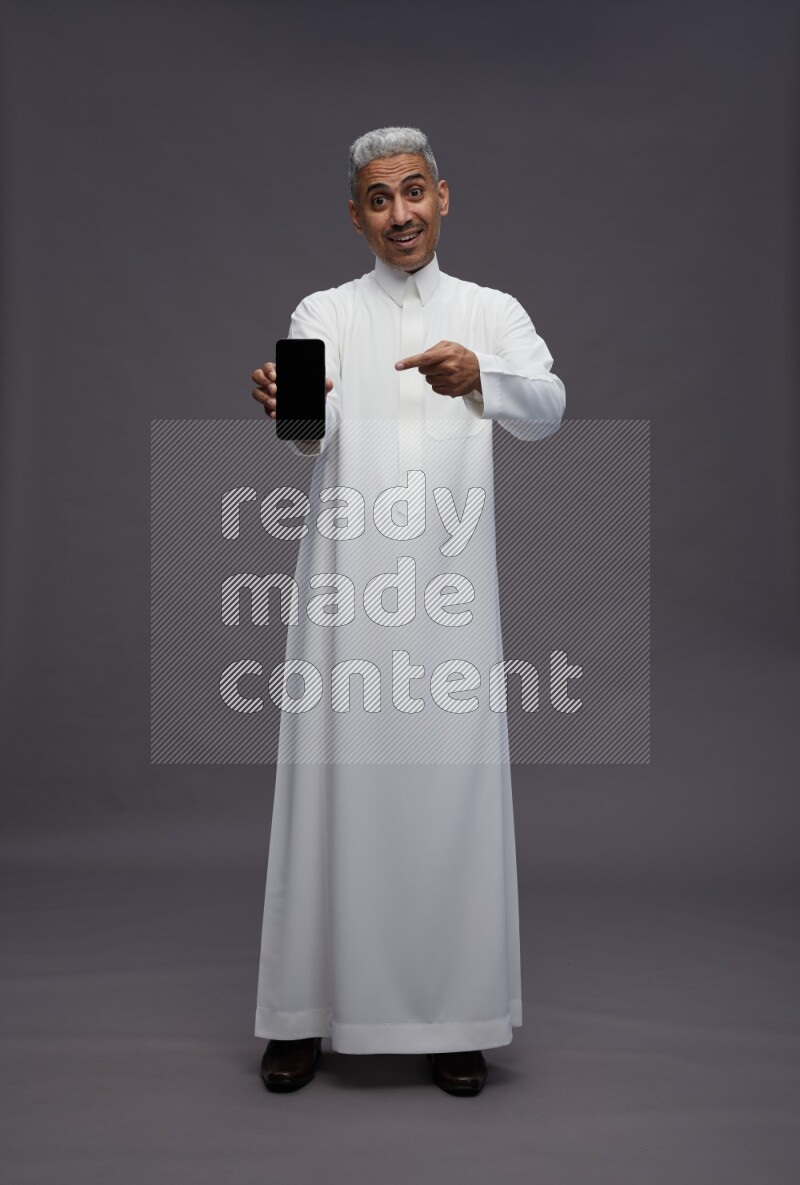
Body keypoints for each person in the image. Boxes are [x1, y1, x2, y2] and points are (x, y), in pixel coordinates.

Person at [250, 127, 565, 1096]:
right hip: (348, 600)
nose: (400, 214)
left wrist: (484, 377)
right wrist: (282, 401)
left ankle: (453, 1015)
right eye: (378, 200)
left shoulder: (489, 311)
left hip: (450, 600)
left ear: (442, 196)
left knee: (448, 800)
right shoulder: (323, 311)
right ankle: (303, 1014)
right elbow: (307, 433)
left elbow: (547, 403)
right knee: (327, 795)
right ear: (356, 215)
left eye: (413, 192)